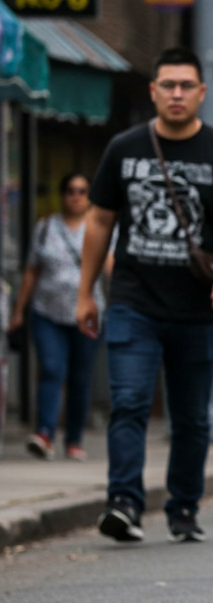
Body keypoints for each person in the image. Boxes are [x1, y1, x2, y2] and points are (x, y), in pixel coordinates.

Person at [79, 47, 213, 543]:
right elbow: (99, 220)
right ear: (153, 90)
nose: (176, 94)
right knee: (130, 401)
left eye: (186, 85)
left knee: (191, 415)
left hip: (199, 307)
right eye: (168, 85)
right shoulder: (124, 148)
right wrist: (86, 292)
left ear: (201, 92)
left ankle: (183, 508)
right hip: (133, 301)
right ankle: (123, 503)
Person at [9, 173, 109, 461]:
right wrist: (19, 310)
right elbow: (31, 271)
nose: (75, 196)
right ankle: (45, 433)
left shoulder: (99, 227)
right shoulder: (45, 228)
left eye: (82, 191)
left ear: (89, 195)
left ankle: (74, 439)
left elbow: (113, 266)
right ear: (62, 195)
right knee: (52, 369)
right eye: (70, 190)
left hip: (86, 316)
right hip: (47, 313)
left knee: (80, 377)